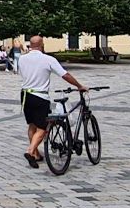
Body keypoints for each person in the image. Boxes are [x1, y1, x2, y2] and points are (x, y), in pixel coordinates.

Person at [15, 35, 87, 168]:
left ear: (30, 45)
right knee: (42, 128)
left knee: (32, 125)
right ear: (42, 45)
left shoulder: (22, 59)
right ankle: (30, 151)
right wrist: (79, 85)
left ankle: (36, 154)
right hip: (40, 96)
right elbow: (65, 75)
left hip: (25, 95)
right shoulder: (48, 59)